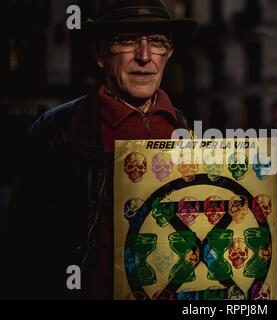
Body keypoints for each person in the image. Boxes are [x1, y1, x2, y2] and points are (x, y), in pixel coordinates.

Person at [4, 0, 197, 299]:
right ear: (100, 54)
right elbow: (23, 250)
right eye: (127, 40)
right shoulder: (58, 132)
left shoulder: (189, 132)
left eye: (156, 42)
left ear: (168, 54)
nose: (144, 56)